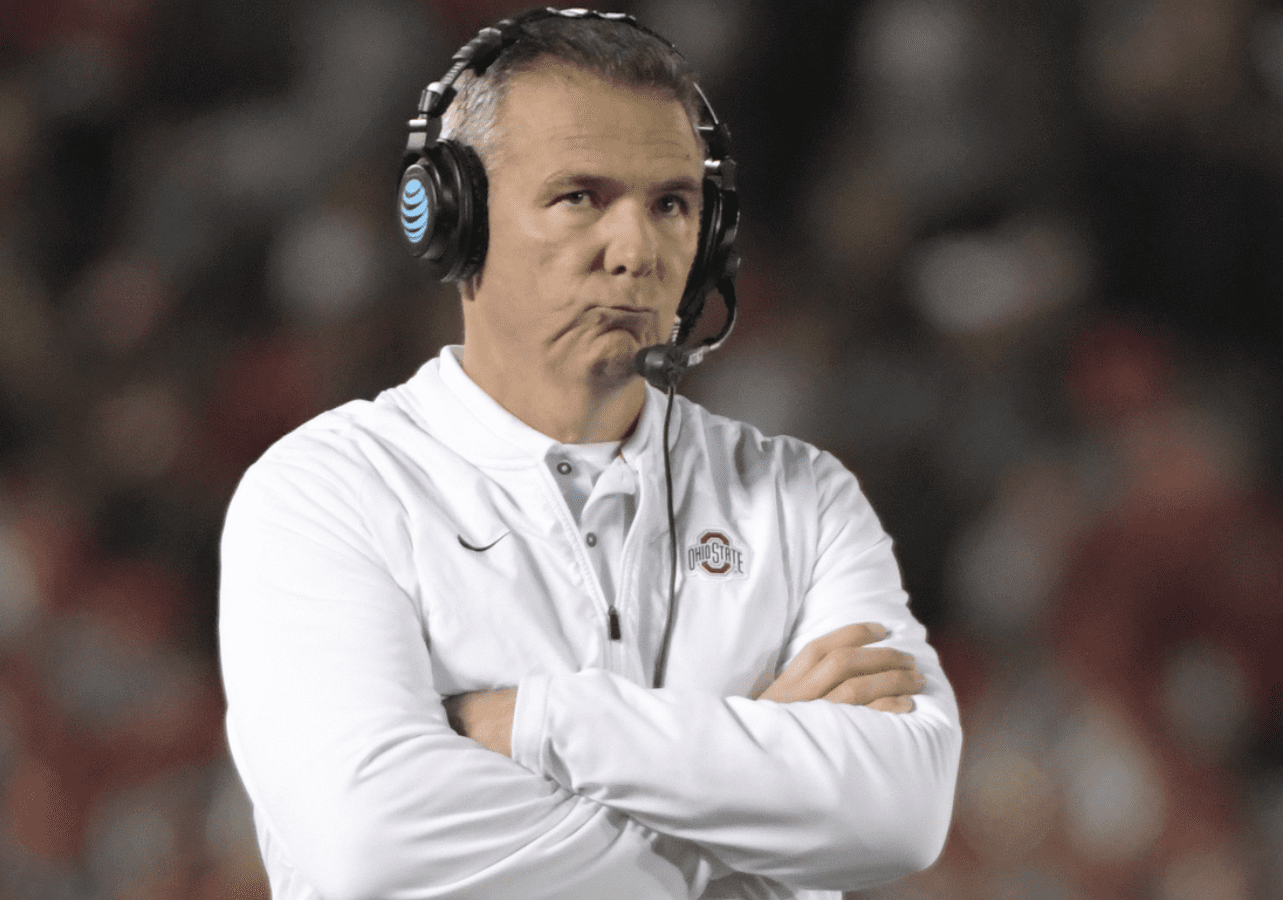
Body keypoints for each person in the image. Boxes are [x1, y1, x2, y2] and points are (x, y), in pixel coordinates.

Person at [218, 9, 960, 900]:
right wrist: (749, 797)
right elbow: (372, 852)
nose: (637, 250)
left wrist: (535, 721)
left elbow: (901, 812)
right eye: (581, 197)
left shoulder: (801, 495)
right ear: (457, 218)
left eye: (672, 204)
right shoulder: (323, 492)